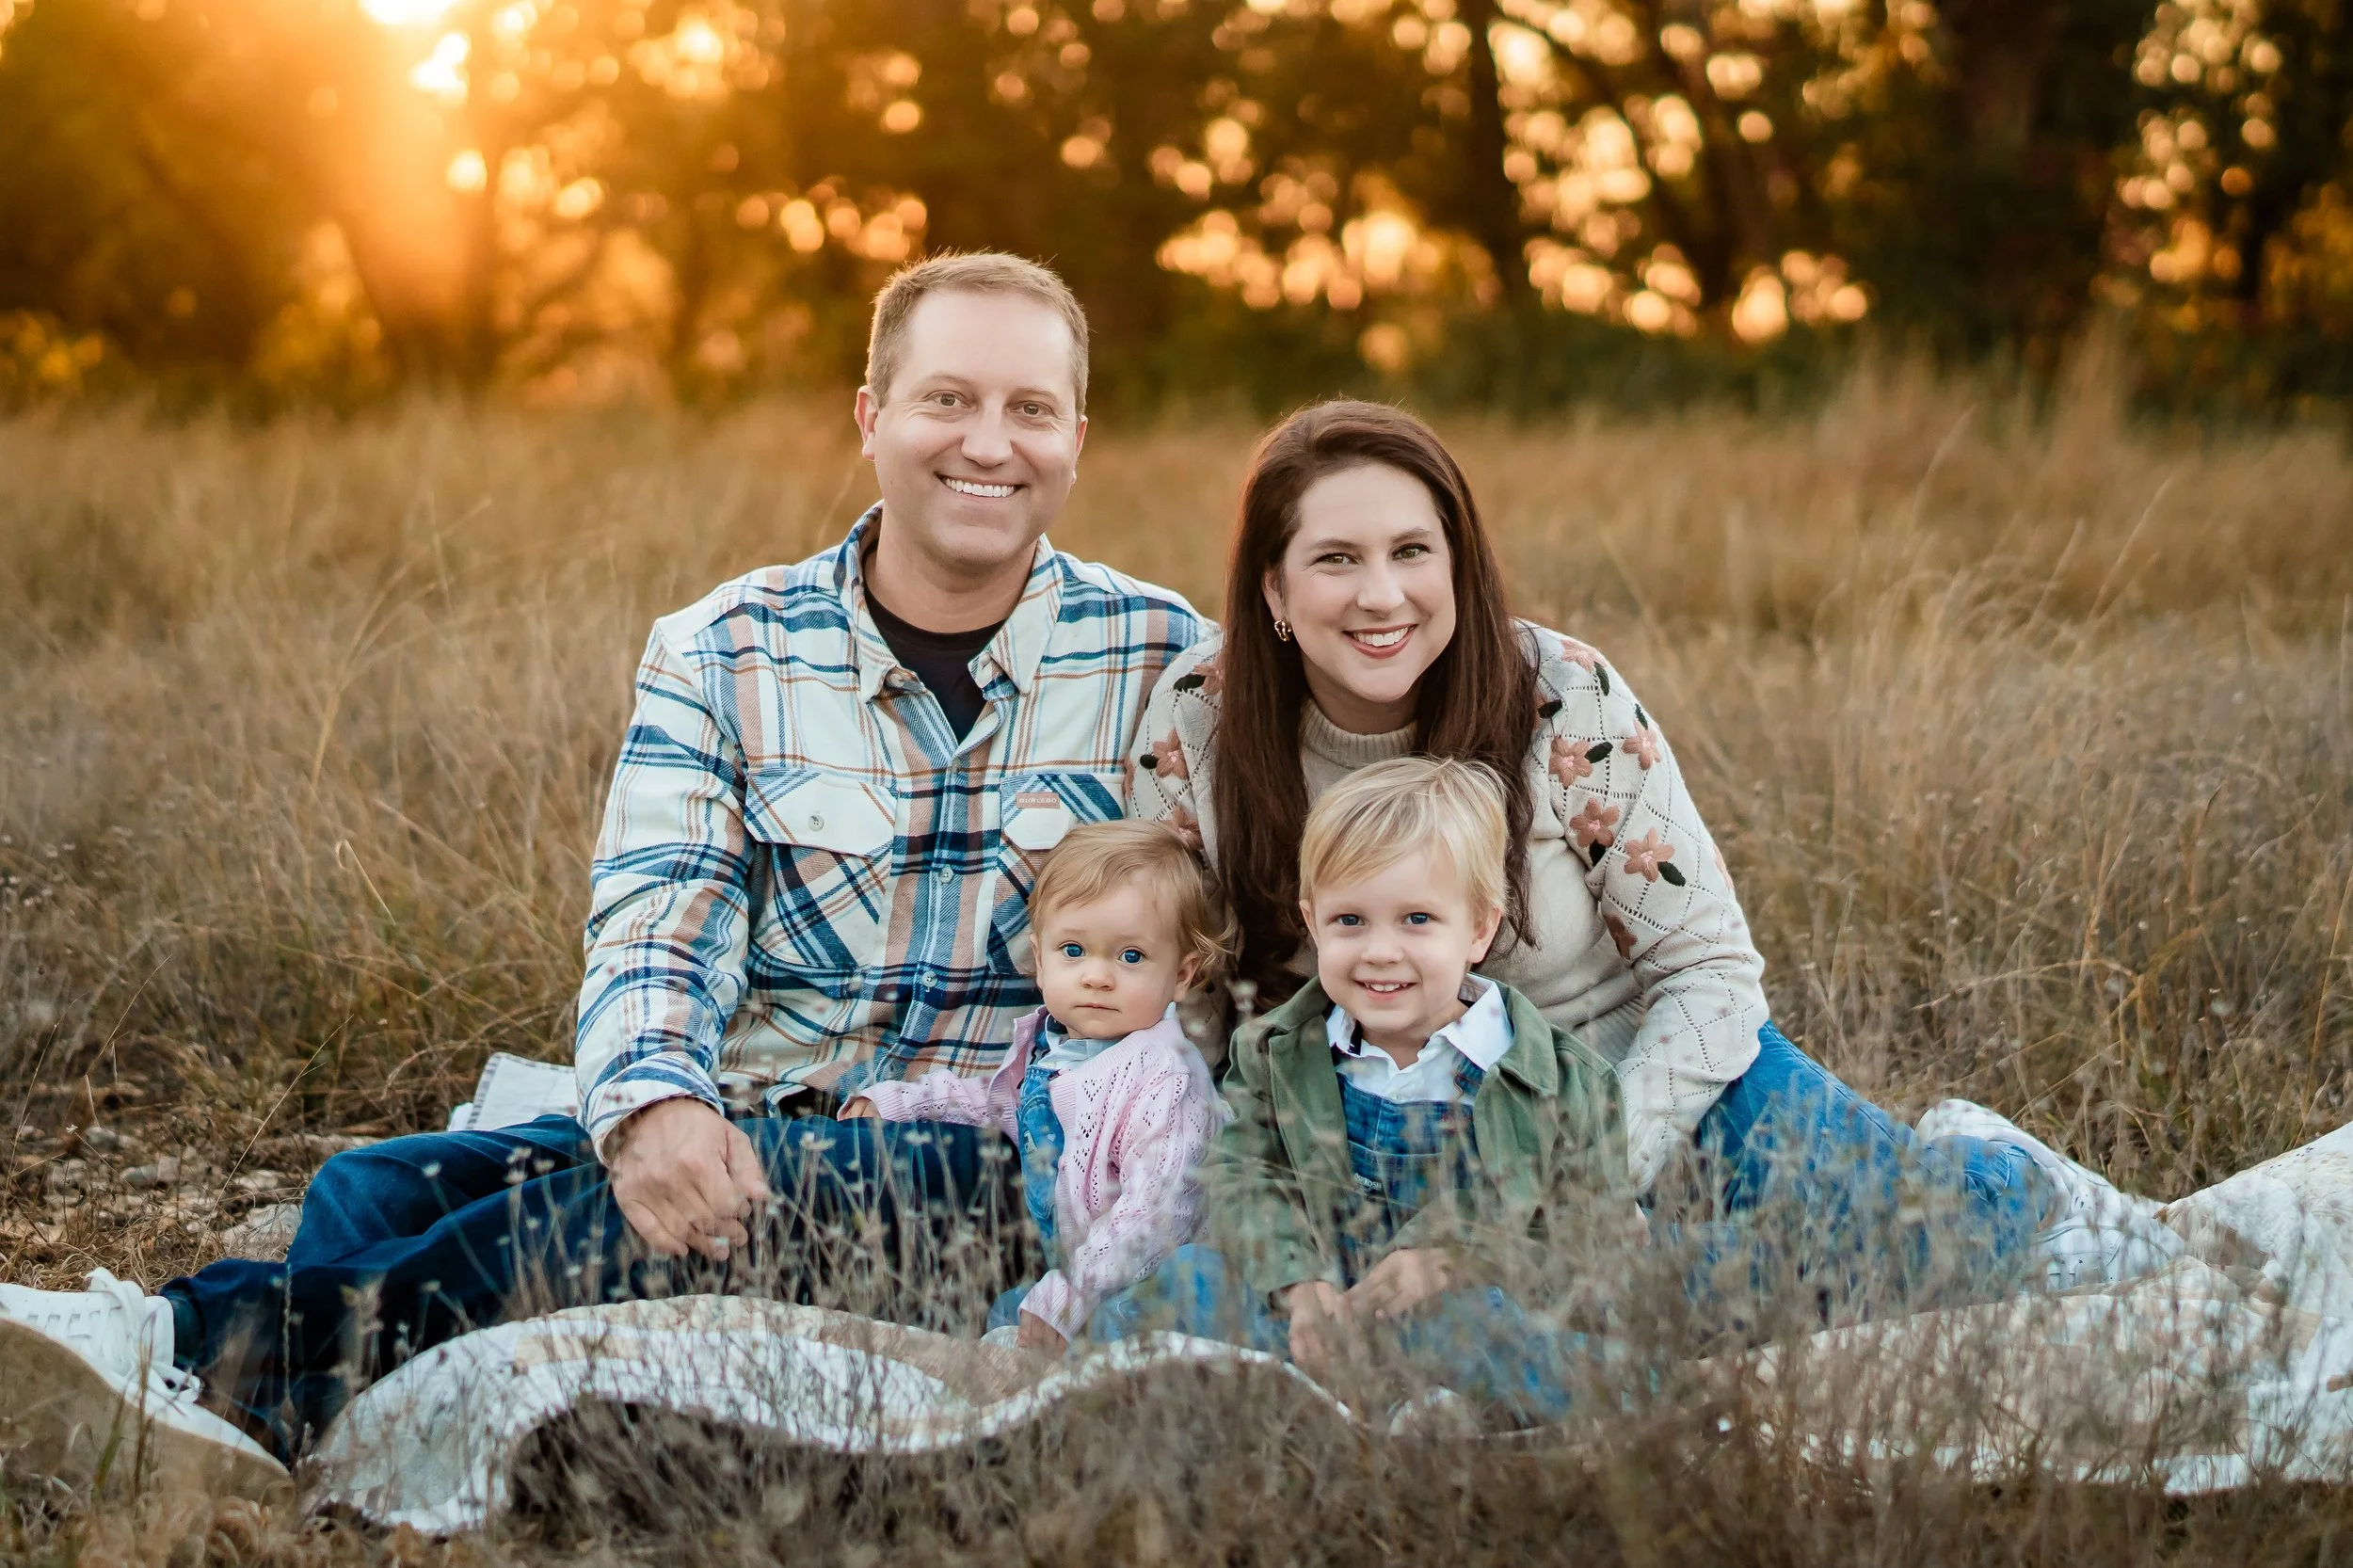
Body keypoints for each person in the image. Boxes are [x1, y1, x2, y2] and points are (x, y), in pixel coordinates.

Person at [0, 252, 1206, 1472]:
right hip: (755, 1126)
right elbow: (656, 919)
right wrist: (658, 1109)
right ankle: (256, 1448)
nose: (987, 443)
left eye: (1029, 409)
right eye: (948, 398)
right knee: (376, 1190)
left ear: (1078, 436)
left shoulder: (1168, 657)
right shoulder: (724, 646)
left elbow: (1248, 925)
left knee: (550, 1222)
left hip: (998, 1156)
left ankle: (184, 1344)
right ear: (872, 415)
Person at [1129, 399, 2181, 1324]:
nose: (1381, 595)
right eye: (1335, 559)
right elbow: (1188, 1018)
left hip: (1648, 1084)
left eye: (1413, 552)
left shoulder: (1559, 695)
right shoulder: (1199, 722)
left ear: (1458, 564)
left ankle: (2000, 1184)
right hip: (1377, 1128)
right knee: (1451, 1325)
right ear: (1271, 587)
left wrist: (1574, 1189)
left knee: (1914, 1244)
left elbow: (1711, 976)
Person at [1126, 756, 1631, 1423]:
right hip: (1314, 1317)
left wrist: (1455, 1259)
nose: (1380, 952)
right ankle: (1066, 1375)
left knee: (1485, 1332)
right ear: (1312, 921)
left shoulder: (1563, 1082)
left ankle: (1618, 1407)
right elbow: (1247, 1176)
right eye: (1350, 922)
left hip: (1449, 1319)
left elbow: (1583, 1245)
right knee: (1191, 1280)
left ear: (1479, 928)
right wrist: (1298, 1288)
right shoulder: (1277, 1052)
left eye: (1417, 919)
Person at [840, 819, 1233, 1355]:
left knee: (1178, 1297)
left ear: (1183, 975)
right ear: (1040, 959)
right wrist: (903, 1101)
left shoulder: (1166, 1075)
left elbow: (1157, 1211)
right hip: (1084, 1281)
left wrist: (1073, 1292)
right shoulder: (1050, 1048)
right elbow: (993, 1103)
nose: (1097, 976)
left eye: (1131, 956)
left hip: (1155, 1286)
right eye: (1073, 950)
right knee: (1008, 1315)